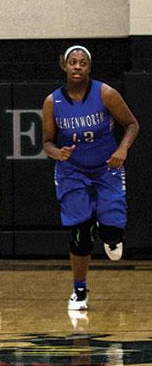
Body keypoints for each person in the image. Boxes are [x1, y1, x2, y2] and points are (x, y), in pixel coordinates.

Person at [42, 44, 139, 312]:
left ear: (89, 67)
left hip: (107, 166)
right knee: (80, 234)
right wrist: (57, 153)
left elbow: (132, 124)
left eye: (82, 63)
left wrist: (122, 149)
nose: (77, 66)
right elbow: (47, 142)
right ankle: (79, 290)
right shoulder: (53, 102)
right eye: (72, 62)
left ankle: (107, 231)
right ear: (64, 65)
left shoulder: (105, 93)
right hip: (72, 170)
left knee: (112, 232)